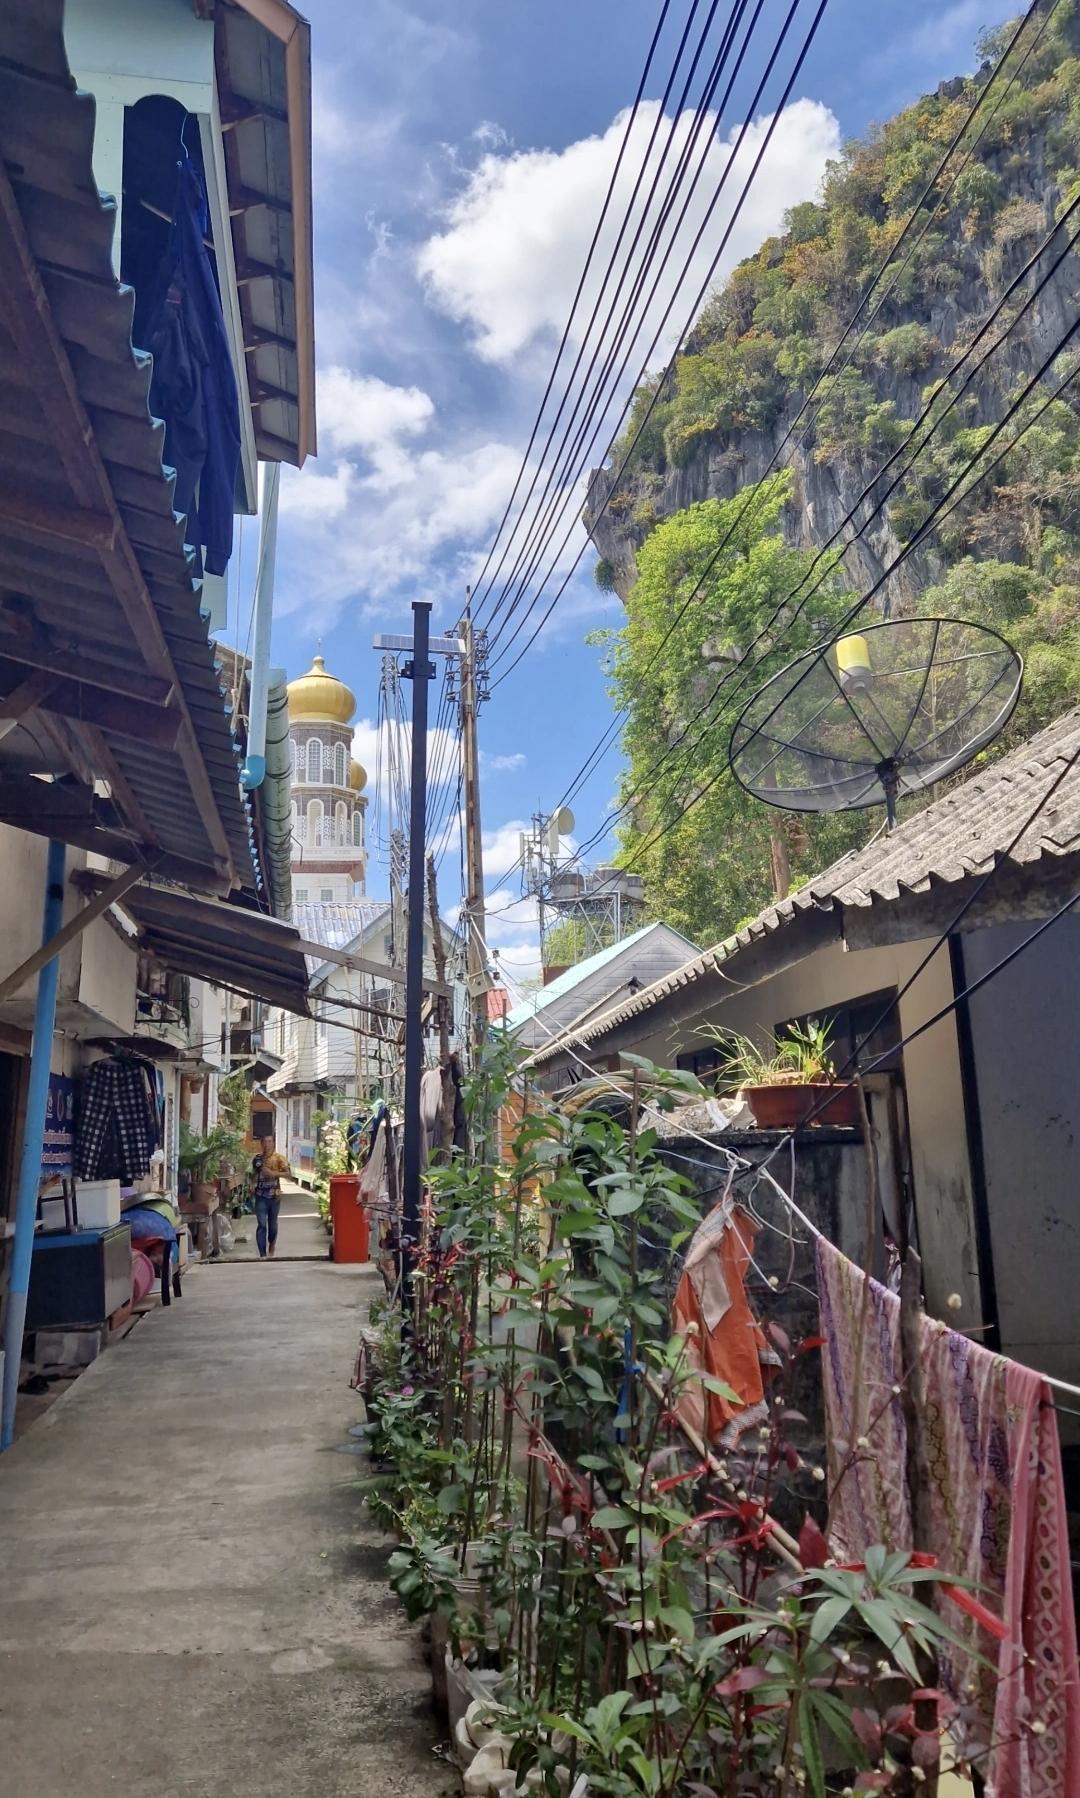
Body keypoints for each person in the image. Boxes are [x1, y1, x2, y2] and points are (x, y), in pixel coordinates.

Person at [252, 1136, 291, 1259]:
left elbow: (289, 1174)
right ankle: (262, 1254)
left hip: (274, 1196)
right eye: (264, 1142)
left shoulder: (279, 1158)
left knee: (272, 1225)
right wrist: (252, 1184)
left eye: (269, 1142)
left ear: (273, 1143)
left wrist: (274, 1173)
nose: (267, 1144)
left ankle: (272, 1244)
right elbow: (254, 1173)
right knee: (262, 1224)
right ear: (261, 1144)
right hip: (260, 1195)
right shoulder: (257, 1159)